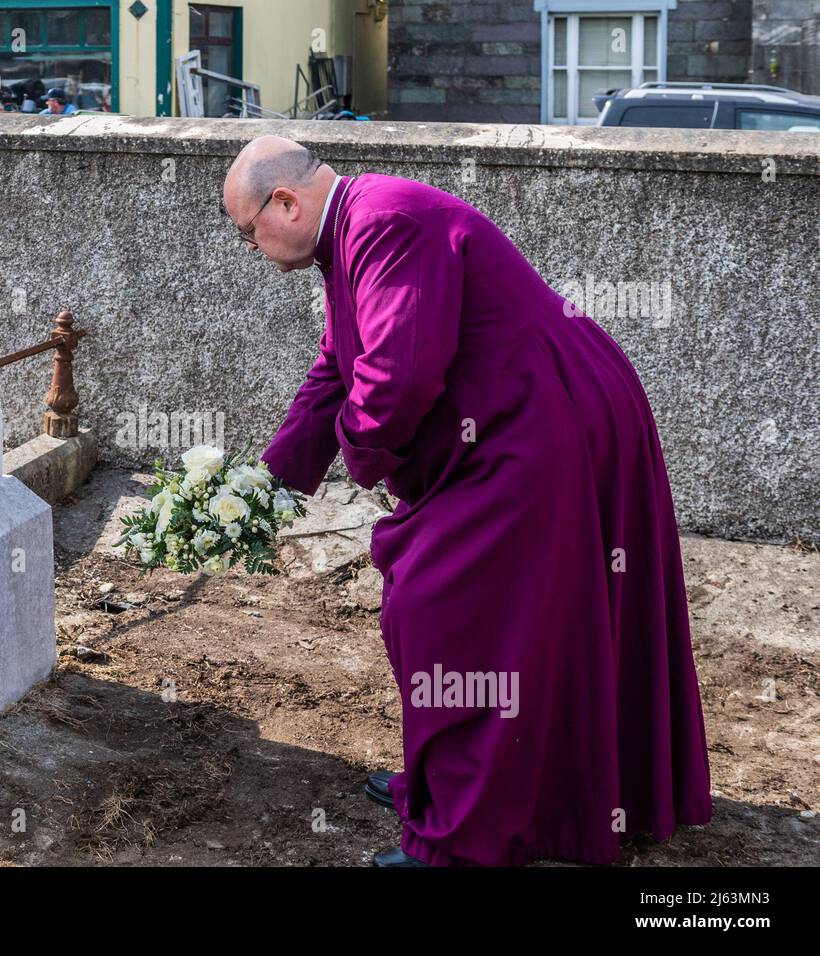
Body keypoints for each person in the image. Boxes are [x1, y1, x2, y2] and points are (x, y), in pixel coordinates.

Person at [220, 134, 713, 867]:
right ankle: (456, 787)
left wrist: (368, 460)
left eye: (246, 232)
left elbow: (398, 381)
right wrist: (266, 484)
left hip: (545, 423)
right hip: (538, 412)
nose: (251, 249)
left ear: (284, 202)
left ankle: (459, 837)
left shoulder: (385, 221)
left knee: (446, 610)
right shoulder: (356, 229)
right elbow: (338, 367)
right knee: (506, 620)